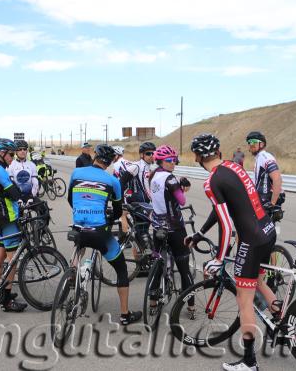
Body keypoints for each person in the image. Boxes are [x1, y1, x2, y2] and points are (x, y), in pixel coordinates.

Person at [186, 134, 277, 371]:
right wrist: (201, 232)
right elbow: (223, 209)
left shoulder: (212, 182)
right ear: (218, 152)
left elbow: (226, 225)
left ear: (197, 157)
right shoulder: (233, 167)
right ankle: (284, 322)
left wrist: (218, 259)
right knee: (256, 280)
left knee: (243, 300)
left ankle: (249, 362)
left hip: (252, 239)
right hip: (267, 230)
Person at [67, 144, 142, 325]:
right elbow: (117, 212)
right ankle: (125, 315)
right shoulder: (112, 181)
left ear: (95, 156)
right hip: (100, 233)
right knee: (122, 269)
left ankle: (73, 270)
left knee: (80, 242)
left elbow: (70, 199)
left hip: (78, 226)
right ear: (110, 162)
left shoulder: (76, 173)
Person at [148, 145, 194, 314]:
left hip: (158, 226)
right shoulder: (170, 178)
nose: (173, 163)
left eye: (174, 160)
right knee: (184, 268)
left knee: (158, 264)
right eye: (169, 160)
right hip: (175, 228)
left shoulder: (153, 176)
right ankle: (191, 306)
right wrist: (184, 189)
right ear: (161, 161)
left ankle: (152, 302)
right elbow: (181, 201)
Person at [0, 138, 27, 312]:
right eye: (10, 154)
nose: (12, 157)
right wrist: (26, 200)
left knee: (0, 258)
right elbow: (13, 191)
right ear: (2, 153)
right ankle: (7, 301)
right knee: (13, 260)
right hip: (6, 219)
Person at [246, 131, 285, 215]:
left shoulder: (265, 157)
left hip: (267, 202)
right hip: (262, 200)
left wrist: (272, 204)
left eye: (253, 142)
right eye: (249, 142)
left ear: (262, 144)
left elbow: (277, 179)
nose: (250, 144)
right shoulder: (259, 158)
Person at [112, 145, 136, 232]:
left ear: (117, 155)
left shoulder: (116, 164)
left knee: (122, 215)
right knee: (131, 215)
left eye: (113, 155)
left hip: (125, 192)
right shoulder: (128, 162)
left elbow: (116, 181)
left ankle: (126, 239)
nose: (111, 158)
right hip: (134, 191)